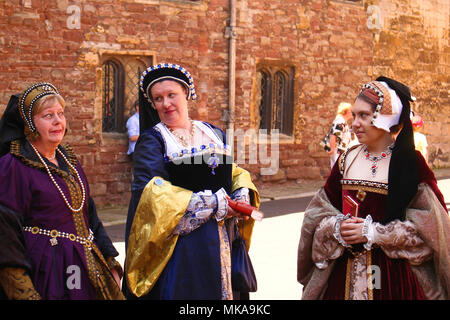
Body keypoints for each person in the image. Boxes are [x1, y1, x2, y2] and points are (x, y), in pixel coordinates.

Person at [297, 77, 449, 300]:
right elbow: (316, 214)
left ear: (387, 118)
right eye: (355, 115)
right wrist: (337, 227)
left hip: (392, 278)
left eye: (364, 116)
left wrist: (374, 232)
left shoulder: (410, 163)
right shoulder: (347, 159)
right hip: (343, 276)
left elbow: (433, 230)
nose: (355, 123)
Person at [123, 63, 260, 300]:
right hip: (185, 252)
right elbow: (151, 194)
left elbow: (232, 170)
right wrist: (210, 203)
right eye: (158, 98)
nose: (165, 104)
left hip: (225, 240)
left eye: (171, 95)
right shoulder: (153, 140)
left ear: (186, 93)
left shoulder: (213, 132)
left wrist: (241, 190)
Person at [0, 83, 125, 300]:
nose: (58, 121)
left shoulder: (68, 159)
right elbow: (5, 232)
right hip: (46, 270)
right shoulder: (14, 165)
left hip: (86, 267)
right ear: (31, 123)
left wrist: (110, 260)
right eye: (48, 115)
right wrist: (23, 292)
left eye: (60, 113)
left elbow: (89, 213)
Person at [322, 102, 357, 168]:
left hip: (340, 152)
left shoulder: (343, 121)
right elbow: (333, 134)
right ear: (345, 111)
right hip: (338, 152)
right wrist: (332, 149)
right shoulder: (340, 121)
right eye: (351, 110)